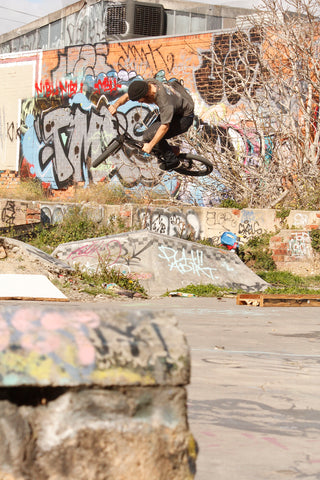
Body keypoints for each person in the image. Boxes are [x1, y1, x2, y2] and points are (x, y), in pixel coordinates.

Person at [108, 78, 194, 171]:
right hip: (177, 109)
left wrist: (150, 145)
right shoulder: (146, 85)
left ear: (145, 95)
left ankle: (173, 161)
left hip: (184, 118)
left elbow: (165, 127)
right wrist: (115, 106)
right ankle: (173, 151)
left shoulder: (164, 101)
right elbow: (127, 96)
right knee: (147, 136)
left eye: (139, 100)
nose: (139, 102)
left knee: (152, 137)